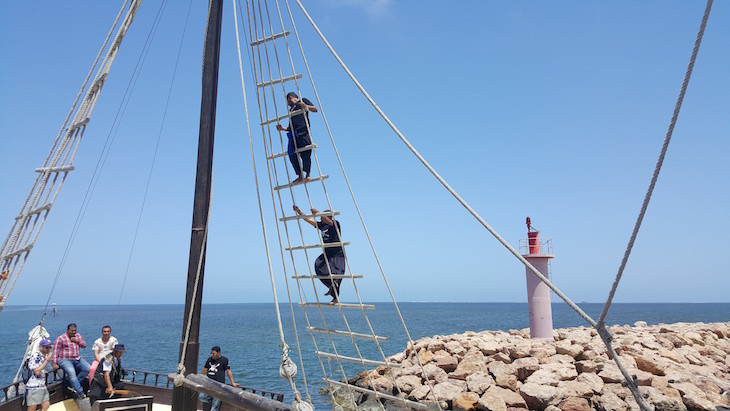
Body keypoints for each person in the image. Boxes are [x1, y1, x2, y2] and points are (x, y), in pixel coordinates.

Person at [293, 205, 345, 304]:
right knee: (319, 266)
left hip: (337, 253)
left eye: (323, 216)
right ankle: (331, 286)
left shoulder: (335, 224)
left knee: (337, 275)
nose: (320, 218)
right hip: (327, 253)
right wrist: (299, 211)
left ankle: (335, 297)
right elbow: (307, 220)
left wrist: (317, 212)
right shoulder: (322, 226)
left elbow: (329, 221)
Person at [276, 92, 318, 184]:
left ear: (291, 98)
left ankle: (307, 174)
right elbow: (290, 127)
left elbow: (315, 109)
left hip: (303, 132)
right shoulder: (291, 110)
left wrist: (305, 106)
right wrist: (282, 128)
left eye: (287, 101)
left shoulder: (302, 101)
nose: (287, 103)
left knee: (306, 153)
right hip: (294, 134)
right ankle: (300, 175)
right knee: (292, 155)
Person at [51, 323, 90, 399]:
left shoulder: (78, 336)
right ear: (68, 330)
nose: (73, 332)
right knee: (71, 372)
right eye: (72, 331)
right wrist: (54, 363)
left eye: (75, 330)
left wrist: (77, 341)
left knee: (88, 368)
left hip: (77, 358)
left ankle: (73, 385)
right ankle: (80, 391)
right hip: (65, 359)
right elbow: (55, 351)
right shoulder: (61, 338)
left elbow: (84, 345)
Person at [199, 346, 240, 411]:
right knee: (202, 397)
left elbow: (228, 371)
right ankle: (212, 400)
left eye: (213, 353)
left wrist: (233, 382)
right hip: (208, 383)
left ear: (218, 353)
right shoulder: (209, 359)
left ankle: (215, 401)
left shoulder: (224, 360)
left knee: (214, 408)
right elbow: (205, 369)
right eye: (211, 353)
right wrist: (200, 379)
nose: (212, 355)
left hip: (219, 385)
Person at [25, 339, 54, 411]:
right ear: (41, 347)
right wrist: (47, 361)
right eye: (46, 347)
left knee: (46, 405)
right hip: (34, 386)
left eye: (50, 347)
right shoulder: (36, 356)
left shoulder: (44, 356)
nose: (48, 349)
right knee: (32, 407)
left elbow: (54, 366)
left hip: (42, 386)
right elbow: (37, 371)